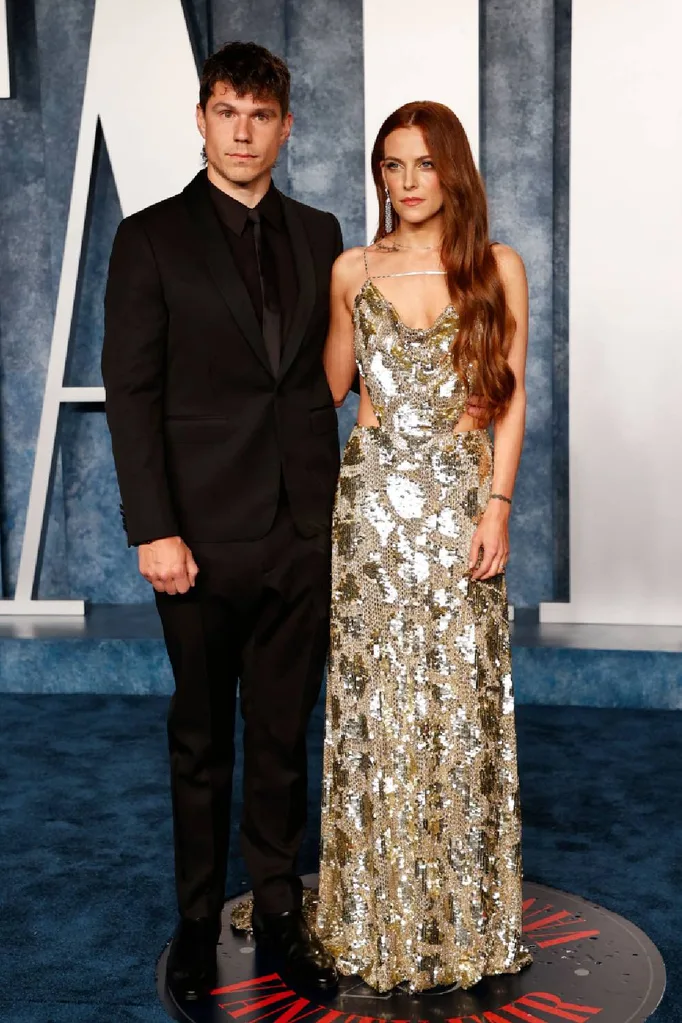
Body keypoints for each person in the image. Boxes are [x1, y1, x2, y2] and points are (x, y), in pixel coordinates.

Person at [101, 42, 342, 1003]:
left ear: (286, 128)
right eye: (227, 111)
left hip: (301, 527)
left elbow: (340, 369)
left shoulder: (323, 233)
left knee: (283, 731)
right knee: (202, 736)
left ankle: (277, 908)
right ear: (201, 120)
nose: (243, 131)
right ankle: (199, 918)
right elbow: (133, 393)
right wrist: (152, 528)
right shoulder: (150, 238)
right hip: (196, 535)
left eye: (261, 114)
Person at [316, 101, 532, 993]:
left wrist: (498, 505)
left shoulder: (496, 267)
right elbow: (328, 389)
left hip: (457, 508)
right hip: (371, 512)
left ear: (453, 172)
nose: (407, 183)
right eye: (392, 166)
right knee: (375, 705)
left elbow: (511, 400)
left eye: (423, 165)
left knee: (454, 698)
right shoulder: (351, 269)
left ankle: (458, 912)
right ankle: (372, 912)